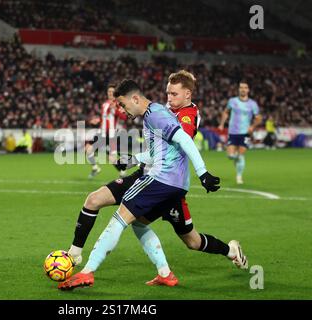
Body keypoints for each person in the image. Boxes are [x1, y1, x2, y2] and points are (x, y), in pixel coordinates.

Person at [66, 72, 248, 288]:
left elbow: (182, 140)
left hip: (161, 180)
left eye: (174, 93)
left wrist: (203, 172)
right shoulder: (161, 112)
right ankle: (183, 267)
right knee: (184, 238)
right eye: (167, 93)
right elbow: (160, 151)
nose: (169, 97)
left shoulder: (169, 114)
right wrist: (133, 159)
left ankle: (87, 271)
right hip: (161, 178)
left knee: (121, 218)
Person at [218, 80, 262, 184]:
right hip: (232, 132)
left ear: (248, 90)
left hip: (245, 133)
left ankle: (239, 176)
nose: (243, 89)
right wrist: (222, 123)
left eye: (245, 87)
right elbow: (226, 112)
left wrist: (252, 126)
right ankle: (236, 159)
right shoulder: (232, 101)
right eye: (241, 87)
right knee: (230, 156)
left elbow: (258, 118)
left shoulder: (252, 104)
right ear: (238, 89)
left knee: (241, 155)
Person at [85, 84, 128, 178]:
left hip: (111, 135)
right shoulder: (104, 104)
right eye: (109, 92)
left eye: (112, 92)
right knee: (88, 149)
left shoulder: (118, 104)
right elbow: (104, 119)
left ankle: (122, 172)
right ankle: (95, 168)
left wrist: (116, 110)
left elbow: (124, 117)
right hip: (101, 134)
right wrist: (97, 121)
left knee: (111, 158)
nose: (110, 93)